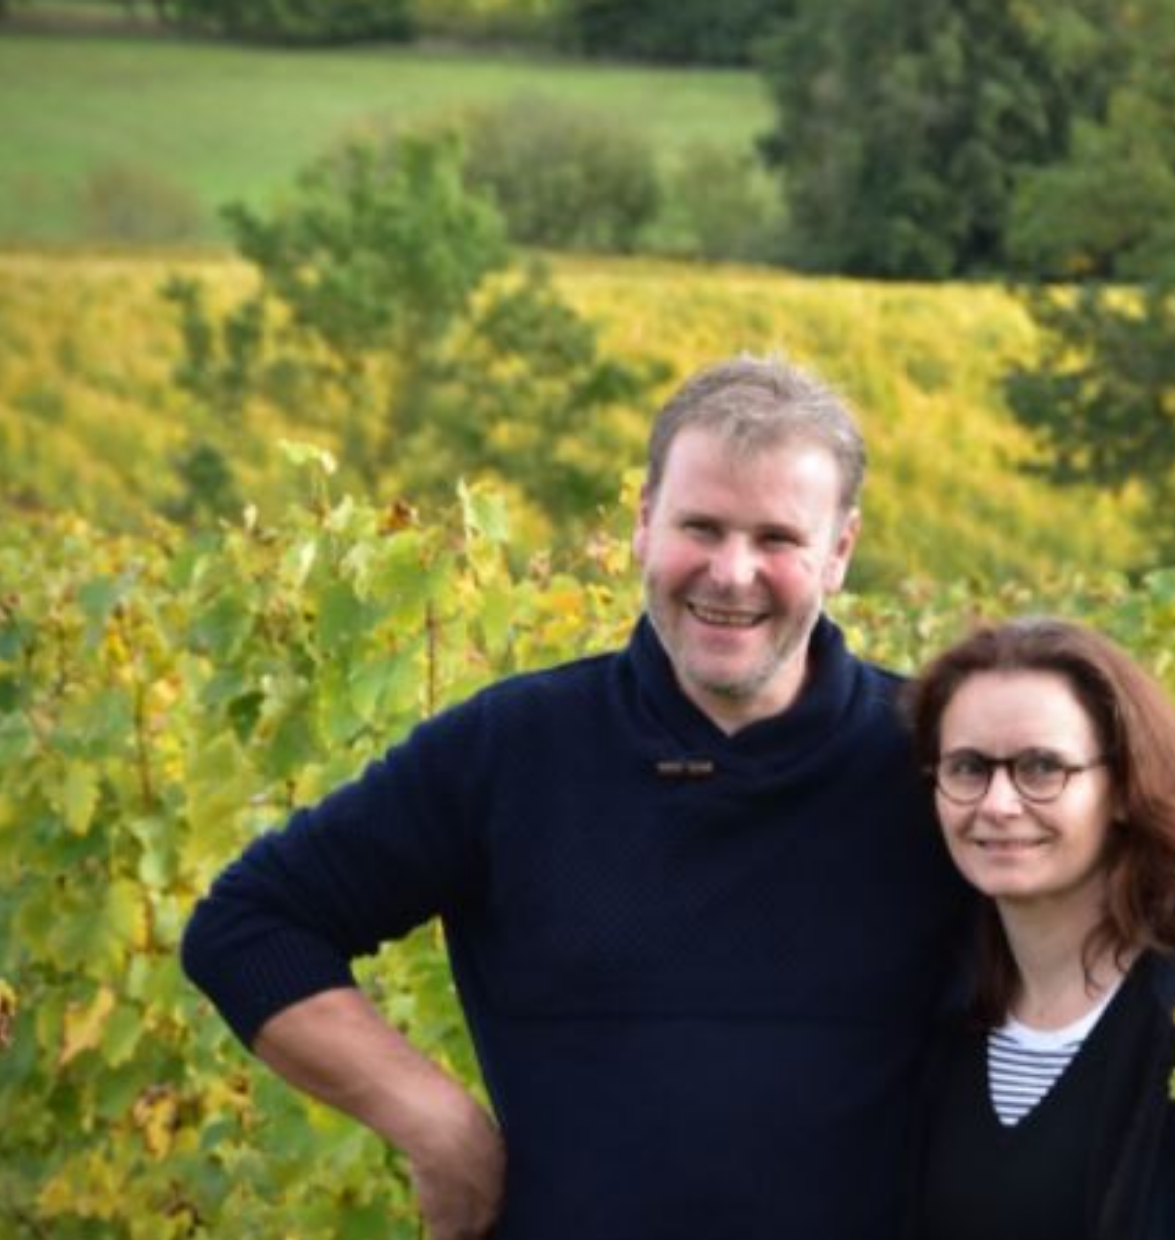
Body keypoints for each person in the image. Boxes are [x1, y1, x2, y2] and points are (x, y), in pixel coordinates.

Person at [180, 356, 970, 1240]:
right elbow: (249, 925)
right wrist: (438, 1126)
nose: (731, 571)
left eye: (777, 538)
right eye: (700, 527)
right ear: (643, 525)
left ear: (840, 553)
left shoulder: (940, 765)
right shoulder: (512, 749)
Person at [903, 618, 1175, 1240]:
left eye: (1042, 767)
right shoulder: (941, 1014)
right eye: (968, 767)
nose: (997, 804)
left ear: (1126, 787)